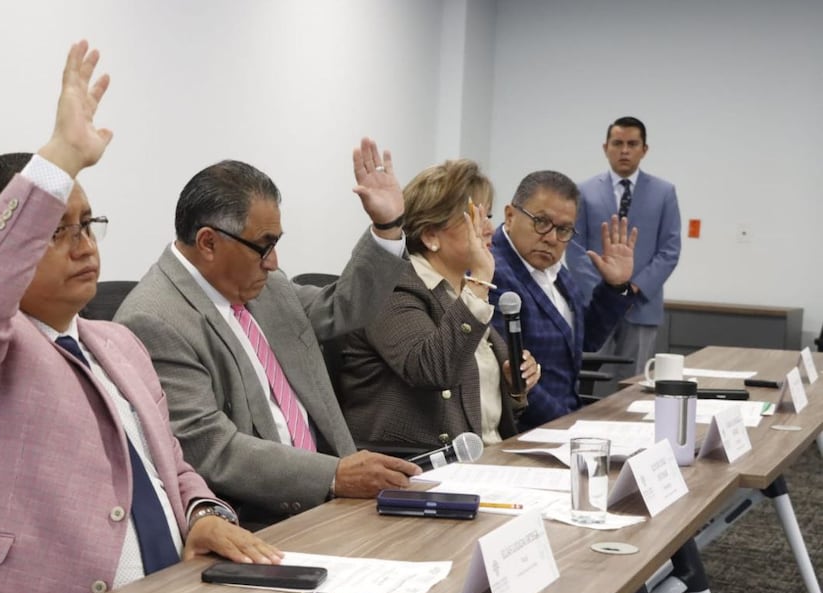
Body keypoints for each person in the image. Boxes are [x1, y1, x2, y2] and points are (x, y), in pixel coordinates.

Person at [0, 41, 280, 593]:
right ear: (1, 242)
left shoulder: (118, 344)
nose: (83, 245)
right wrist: (59, 161)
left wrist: (203, 513)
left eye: (86, 224)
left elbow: (171, 466)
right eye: (54, 231)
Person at [114, 140, 422, 528]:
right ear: (208, 242)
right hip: (261, 521)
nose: (273, 262)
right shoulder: (154, 319)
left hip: (337, 502)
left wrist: (387, 227)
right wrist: (331, 476)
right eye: (264, 246)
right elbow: (211, 448)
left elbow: (345, 307)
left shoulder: (267, 287)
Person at [339, 159, 541, 447]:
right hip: (419, 466)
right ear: (431, 235)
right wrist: (480, 281)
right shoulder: (391, 287)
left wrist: (513, 386)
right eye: (476, 218)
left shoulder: (460, 291)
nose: (489, 229)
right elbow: (433, 370)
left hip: (487, 456)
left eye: (488, 216)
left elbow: (478, 405)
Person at [490, 170, 638, 429]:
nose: (551, 238)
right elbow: (512, 374)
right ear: (510, 216)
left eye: (563, 229)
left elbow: (585, 340)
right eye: (541, 222)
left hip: (563, 422)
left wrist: (615, 287)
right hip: (524, 430)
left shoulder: (557, 272)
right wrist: (568, 424)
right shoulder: (492, 271)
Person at [574, 116, 681, 383]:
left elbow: (670, 250)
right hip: (595, 305)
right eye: (617, 143)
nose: (624, 150)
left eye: (632, 144)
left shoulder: (664, 192)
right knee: (585, 382)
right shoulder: (583, 191)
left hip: (641, 305)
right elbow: (574, 248)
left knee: (633, 385)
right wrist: (608, 291)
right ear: (605, 147)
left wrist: (632, 289)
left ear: (644, 149)